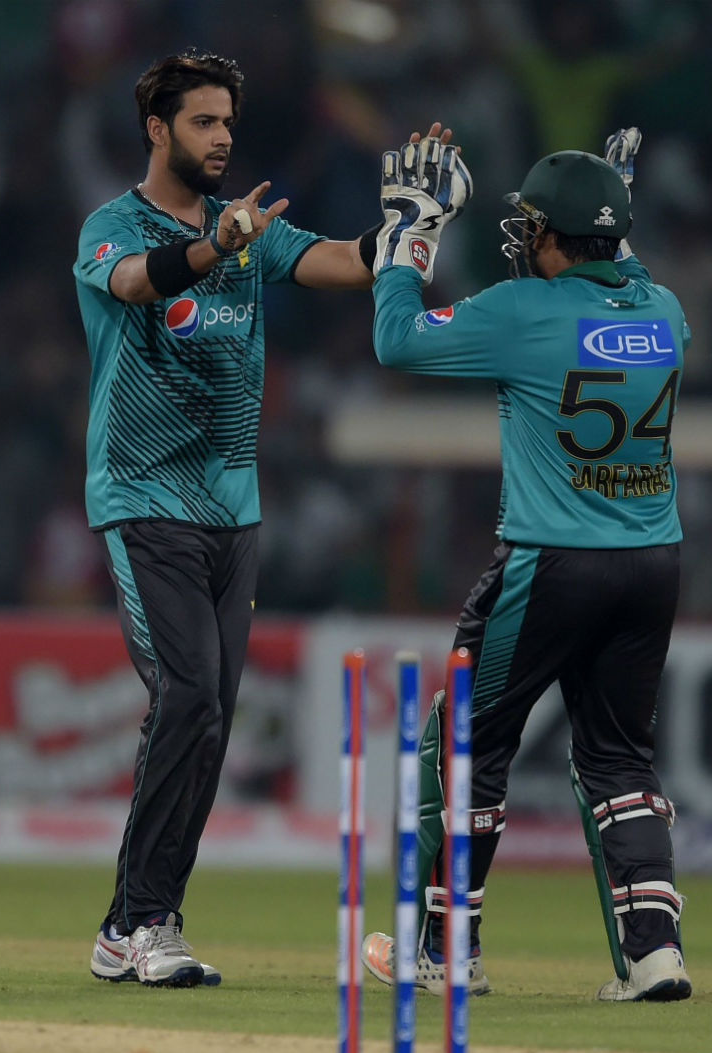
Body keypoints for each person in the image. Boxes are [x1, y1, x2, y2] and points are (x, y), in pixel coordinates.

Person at [73, 48, 443, 987]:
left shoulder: (252, 230)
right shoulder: (112, 226)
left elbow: (342, 262)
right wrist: (217, 248)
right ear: (156, 129)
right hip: (144, 495)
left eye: (228, 124)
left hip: (233, 507)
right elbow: (138, 284)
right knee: (187, 696)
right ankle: (142, 921)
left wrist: (411, 227)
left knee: (208, 721)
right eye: (203, 122)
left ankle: (133, 925)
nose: (221, 138)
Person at [358, 129, 694, 1002]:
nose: (524, 239)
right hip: (651, 564)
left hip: (550, 562)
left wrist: (410, 232)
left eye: (533, 225)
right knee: (620, 761)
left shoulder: (521, 311)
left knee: (466, 747)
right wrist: (611, 212)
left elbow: (396, 340)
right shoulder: (666, 313)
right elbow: (627, 275)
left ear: (551, 234)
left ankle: (444, 951)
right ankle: (656, 954)